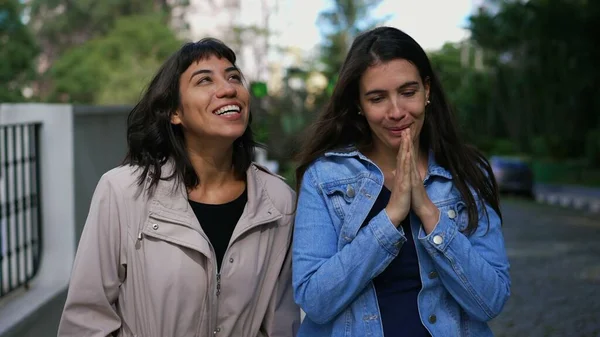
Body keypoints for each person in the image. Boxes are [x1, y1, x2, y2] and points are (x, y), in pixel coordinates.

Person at [58, 38, 300, 337]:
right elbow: (86, 320)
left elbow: (281, 325)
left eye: (234, 76)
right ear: (175, 113)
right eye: (204, 80)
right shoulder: (122, 192)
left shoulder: (278, 202)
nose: (228, 88)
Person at [292, 26, 510, 337]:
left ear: (427, 90)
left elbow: (490, 302)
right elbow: (315, 300)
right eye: (377, 98)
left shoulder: (467, 172)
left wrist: (429, 213)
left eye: (408, 93)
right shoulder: (325, 177)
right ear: (359, 104)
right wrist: (390, 217)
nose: (396, 112)